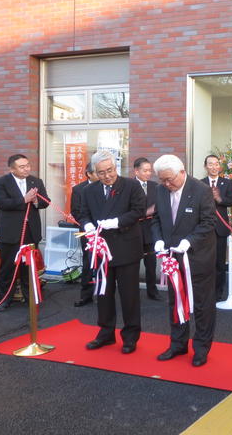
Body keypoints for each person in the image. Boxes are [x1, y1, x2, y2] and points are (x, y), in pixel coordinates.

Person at [151, 154, 217, 367]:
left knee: (201, 304)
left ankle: (201, 347)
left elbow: (208, 223)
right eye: (162, 180)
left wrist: (189, 241)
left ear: (182, 172)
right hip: (172, 257)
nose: (166, 184)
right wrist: (158, 240)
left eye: (170, 179)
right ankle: (178, 343)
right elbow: (156, 219)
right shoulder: (160, 190)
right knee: (175, 301)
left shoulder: (201, 190)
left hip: (197, 257)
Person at [79, 150, 146, 354]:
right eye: (101, 173)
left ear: (115, 167)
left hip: (126, 246)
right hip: (102, 250)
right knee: (104, 294)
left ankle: (130, 335)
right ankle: (106, 333)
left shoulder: (131, 185)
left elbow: (139, 210)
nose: (107, 175)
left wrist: (117, 222)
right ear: (94, 173)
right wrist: (87, 225)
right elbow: (82, 214)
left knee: (129, 295)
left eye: (110, 170)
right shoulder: (89, 191)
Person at [0, 154, 50, 311]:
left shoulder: (35, 181)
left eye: (27, 165)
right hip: (10, 232)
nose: (27, 169)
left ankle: (30, 297)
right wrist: (24, 199)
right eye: (22, 166)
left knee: (29, 267)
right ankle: (5, 299)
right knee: (8, 267)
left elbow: (45, 201)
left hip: (31, 231)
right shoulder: (1, 182)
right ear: (12, 169)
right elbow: (2, 203)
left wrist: (36, 200)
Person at [201, 154, 232, 300]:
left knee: (220, 263)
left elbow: (231, 201)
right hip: (205, 228)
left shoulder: (227, 183)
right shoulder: (200, 183)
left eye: (216, 164)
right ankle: (206, 291)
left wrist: (219, 199)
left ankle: (218, 292)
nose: (214, 167)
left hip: (221, 228)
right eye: (210, 164)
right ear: (205, 166)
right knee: (206, 261)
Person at [72, 162, 99, 307]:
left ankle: (105, 293)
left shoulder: (106, 187)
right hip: (87, 232)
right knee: (88, 262)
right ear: (89, 173)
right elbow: (76, 212)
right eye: (97, 172)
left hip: (105, 231)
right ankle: (86, 295)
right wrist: (89, 226)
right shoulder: (78, 189)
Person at [134, 157, 160, 300]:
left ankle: (152, 291)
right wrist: (145, 213)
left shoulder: (154, 186)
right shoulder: (128, 186)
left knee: (151, 264)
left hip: (150, 231)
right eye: (145, 170)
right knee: (133, 265)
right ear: (136, 171)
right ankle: (132, 292)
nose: (148, 173)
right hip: (134, 231)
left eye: (150, 170)